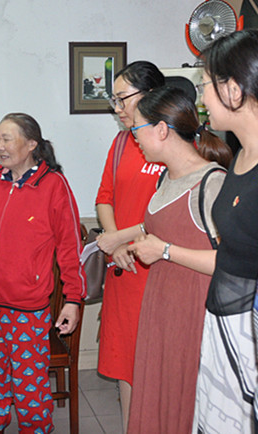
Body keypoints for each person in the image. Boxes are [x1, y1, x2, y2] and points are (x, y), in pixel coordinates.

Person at [105, 86, 231, 433]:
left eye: (137, 128)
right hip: (160, 307)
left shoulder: (212, 183)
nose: (134, 137)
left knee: (186, 402)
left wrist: (163, 251)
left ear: (162, 129)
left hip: (194, 312)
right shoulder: (164, 178)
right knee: (158, 397)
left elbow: (229, 262)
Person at [0, 113, 86, 433]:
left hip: (26, 310)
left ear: (32, 144)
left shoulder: (52, 185)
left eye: (7, 139)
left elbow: (69, 247)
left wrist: (73, 299)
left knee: (30, 389)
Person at [191, 29, 258, 433]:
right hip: (225, 320)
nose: (201, 100)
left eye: (205, 86)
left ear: (233, 90)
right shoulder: (240, 155)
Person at [94, 61, 166, 430]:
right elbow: (104, 197)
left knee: (158, 365)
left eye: (123, 98)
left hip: (160, 271)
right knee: (125, 365)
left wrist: (122, 238)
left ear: (151, 95)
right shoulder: (122, 142)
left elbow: (171, 212)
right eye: (114, 100)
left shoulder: (175, 139)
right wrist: (115, 244)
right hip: (124, 270)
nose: (118, 108)